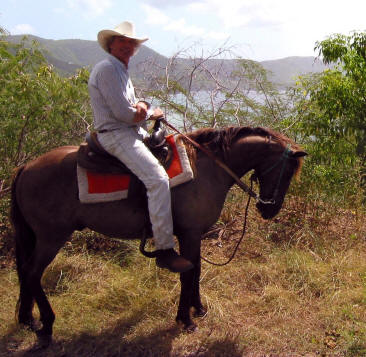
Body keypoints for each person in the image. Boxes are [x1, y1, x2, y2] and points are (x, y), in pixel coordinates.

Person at [88, 21, 193, 273]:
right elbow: (125, 114)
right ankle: (165, 250)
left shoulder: (120, 69)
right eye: (122, 41)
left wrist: (143, 106)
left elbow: (134, 104)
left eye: (131, 43)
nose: (128, 46)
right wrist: (150, 112)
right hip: (117, 134)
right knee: (158, 180)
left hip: (129, 132)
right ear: (111, 44)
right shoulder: (107, 69)